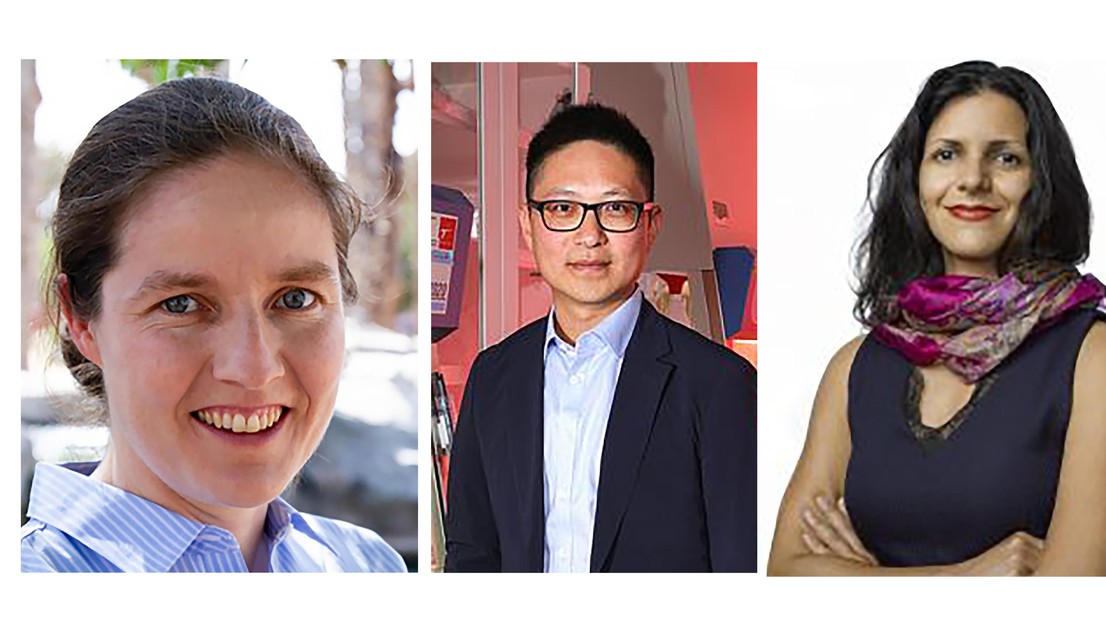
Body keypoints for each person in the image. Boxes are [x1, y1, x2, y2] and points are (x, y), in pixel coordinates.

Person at [21, 77, 406, 573]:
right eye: (182, 305)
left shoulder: (371, 567)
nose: (254, 368)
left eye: (295, 299)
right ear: (81, 321)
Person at [768, 61, 1106, 576]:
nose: (973, 180)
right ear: (917, 178)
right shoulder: (855, 367)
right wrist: (967, 578)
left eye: (1006, 158)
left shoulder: (1092, 359)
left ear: (1041, 180)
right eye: (947, 155)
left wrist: (855, 582)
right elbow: (786, 575)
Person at [444, 103, 757, 572]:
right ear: (528, 225)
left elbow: (741, 566)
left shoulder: (720, 385)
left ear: (650, 226)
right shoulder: (493, 376)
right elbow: (472, 553)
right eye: (563, 208)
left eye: (614, 208)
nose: (589, 235)